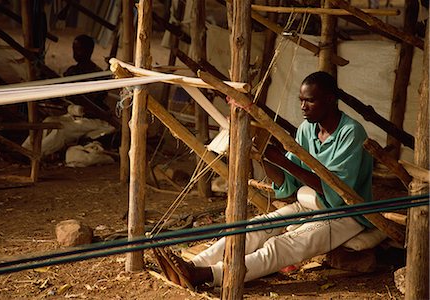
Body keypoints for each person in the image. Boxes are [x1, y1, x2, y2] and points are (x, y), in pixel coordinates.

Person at [156, 71, 374, 288]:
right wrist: (263, 157)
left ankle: (208, 275)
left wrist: (283, 160)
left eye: (310, 100)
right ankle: (192, 264)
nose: (303, 107)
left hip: (346, 213)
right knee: (254, 228)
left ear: (330, 99)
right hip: (309, 204)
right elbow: (289, 184)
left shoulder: (351, 133)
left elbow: (337, 193)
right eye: (301, 101)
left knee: (282, 245)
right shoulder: (308, 130)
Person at [63, 34, 108, 110]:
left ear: (89, 51)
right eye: (74, 49)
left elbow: (98, 99)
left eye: (78, 49)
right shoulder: (71, 71)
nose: (75, 53)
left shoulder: (98, 74)